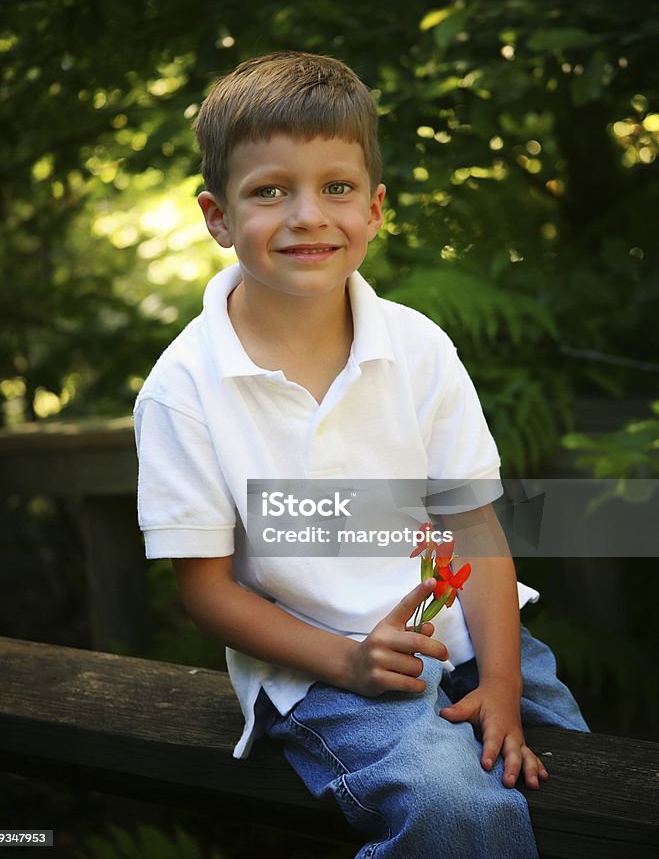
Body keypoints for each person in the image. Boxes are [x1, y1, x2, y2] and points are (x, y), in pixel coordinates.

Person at [134, 51, 588, 858]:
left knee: (590, 791)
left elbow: (473, 528)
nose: (307, 215)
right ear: (216, 216)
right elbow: (203, 589)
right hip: (318, 665)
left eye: (336, 188)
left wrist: (502, 684)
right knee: (458, 813)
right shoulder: (183, 388)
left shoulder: (417, 347)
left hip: (468, 636)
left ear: (375, 209)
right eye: (269, 190)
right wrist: (347, 661)